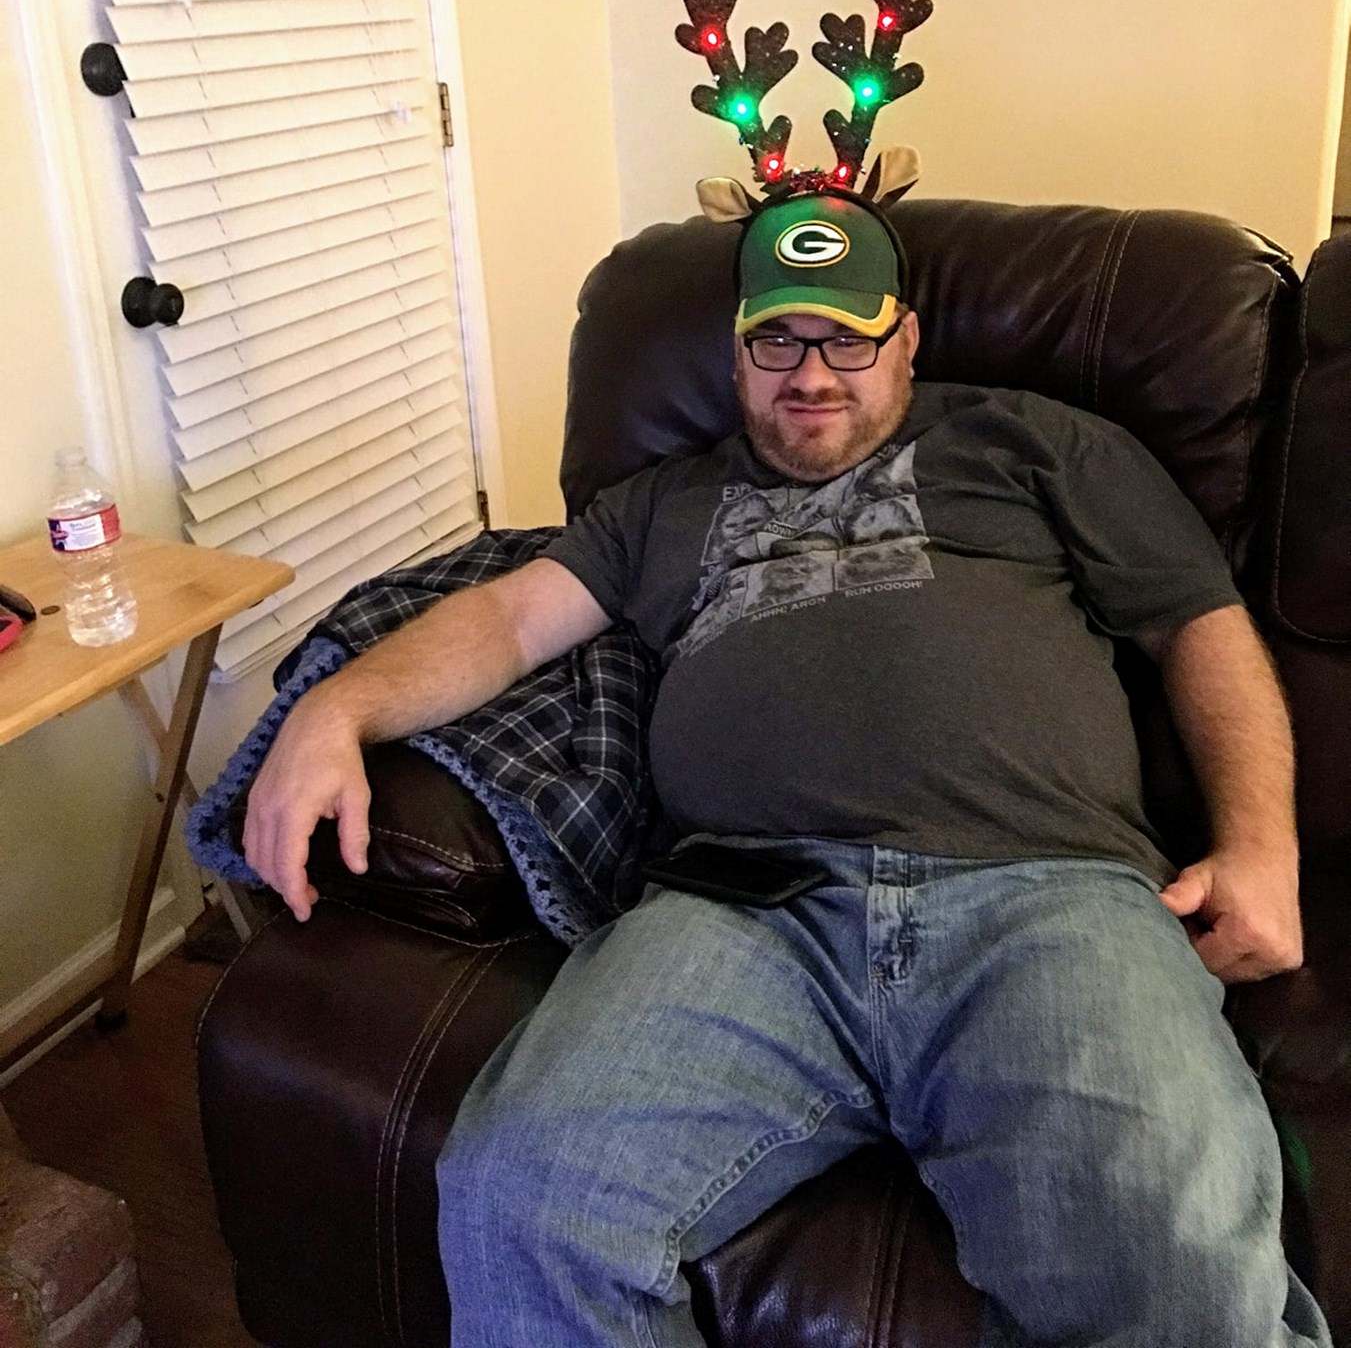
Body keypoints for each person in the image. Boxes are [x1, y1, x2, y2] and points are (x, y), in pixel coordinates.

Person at [242, 189, 1330, 1348]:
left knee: (1172, 1261)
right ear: (736, 352)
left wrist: (1261, 845)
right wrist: (335, 708)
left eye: (846, 339)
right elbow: (507, 621)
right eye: (777, 340)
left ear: (905, 340)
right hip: (736, 913)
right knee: (526, 1199)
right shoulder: (660, 503)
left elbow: (1198, 624)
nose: (810, 375)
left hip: (1043, 897)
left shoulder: (1033, 443)